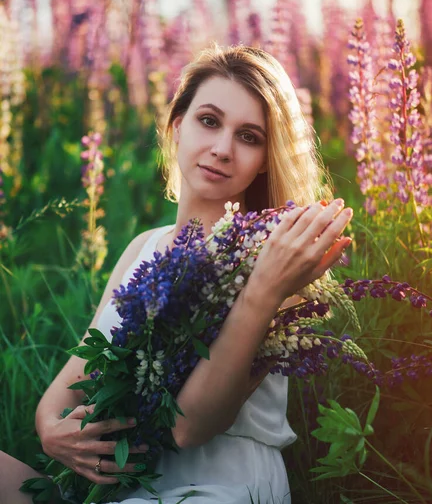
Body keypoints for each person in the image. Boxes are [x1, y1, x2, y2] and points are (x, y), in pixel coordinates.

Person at [0, 44, 353, 504]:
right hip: (122, 487)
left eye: (249, 136)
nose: (222, 149)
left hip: (219, 486)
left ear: (267, 157)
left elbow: (190, 426)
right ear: (177, 124)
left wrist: (263, 289)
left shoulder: (276, 255)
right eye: (209, 121)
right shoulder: (141, 248)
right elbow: (73, 378)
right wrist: (51, 431)